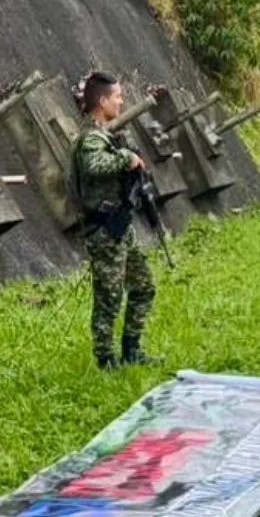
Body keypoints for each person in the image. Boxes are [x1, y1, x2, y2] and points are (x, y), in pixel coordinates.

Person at [70, 71, 159, 370]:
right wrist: (126, 159)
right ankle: (106, 359)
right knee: (108, 297)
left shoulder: (107, 135)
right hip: (104, 230)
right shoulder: (89, 139)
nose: (122, 102)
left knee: (144, 285)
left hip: (121, 227)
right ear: (103, 100)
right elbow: (94, 165)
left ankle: (131, 349)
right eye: (118, 97)